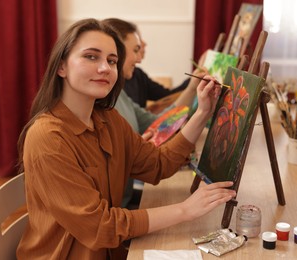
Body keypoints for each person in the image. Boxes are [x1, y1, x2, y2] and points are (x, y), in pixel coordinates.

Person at [16, 18, 235, 260]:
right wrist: (184, 210)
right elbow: (101, 226)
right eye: (91, 56)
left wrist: (203, 112)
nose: (105, 68)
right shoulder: (48, 137)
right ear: (61, 67)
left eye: (112, 61)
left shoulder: (108, 119)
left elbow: (157, 164)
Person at [103, 18, 207, 209]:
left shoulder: (119, 96)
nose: (139, 58)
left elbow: (160, 123)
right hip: (117, 210)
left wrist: (193, 90)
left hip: (122, 201)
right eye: (135, 50)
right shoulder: (100, 105)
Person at [123, 28, 190, 108]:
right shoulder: (115, 89)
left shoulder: (138, 74)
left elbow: (166, 96)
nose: (145, 44)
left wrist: (192, 82)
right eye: (136, 49)